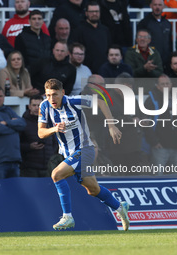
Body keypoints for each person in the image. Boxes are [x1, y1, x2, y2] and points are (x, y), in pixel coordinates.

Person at [38, 78, 130, 231]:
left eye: (55, 94)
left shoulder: (74, 101)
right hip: (69, 154)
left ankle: (67, 217)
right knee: (93, 190)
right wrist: (54, 129)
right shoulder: (44, 106)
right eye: (48, 95)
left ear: (63, 92)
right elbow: (41, 133)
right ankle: (120, 207)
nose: (51, 99)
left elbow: (100, 101)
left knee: (56, 175)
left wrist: (111, 126)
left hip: (85, 149)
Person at [143, 74, 177, 170]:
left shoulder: (176, 98)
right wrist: (154, 142)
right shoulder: (151, 100)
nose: (166, 86)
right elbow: (146, 123)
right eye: (163, 84)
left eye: (167, 83)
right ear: (157, 86)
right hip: (160, 147)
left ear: (171, 85)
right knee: (158, 176)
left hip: (176, 146)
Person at [20, 95, 57, 177]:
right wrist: (29, 147)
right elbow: (16, 145)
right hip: (30, 168)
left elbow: (55, 142)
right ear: (29, 106)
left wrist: (51, 155)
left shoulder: (50, 122)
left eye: (39, 105)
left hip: (48, 167)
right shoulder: (22, 123)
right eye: (34, 105)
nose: (37, 108)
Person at [73, 1, 111, 73]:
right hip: (86, 70)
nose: (94, 14)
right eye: (91, 11)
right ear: (86, 13)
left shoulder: (105, 30)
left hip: (104, 70)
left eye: (96, 11)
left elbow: (109, 48)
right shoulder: (79, 30)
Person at [124, 29, 163, 93]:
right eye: (140, 37)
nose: (142, 39)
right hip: (135, 89)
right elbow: (129, 73)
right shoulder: (130, 53)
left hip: (153, 89)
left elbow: (160, 72)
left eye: (145, 37)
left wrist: (149, 70)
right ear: (136, 39)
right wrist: (144, 68)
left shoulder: (155, 53)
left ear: (149, 40)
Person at [137, 0, 172, 70]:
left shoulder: (167, 23)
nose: (157, 7)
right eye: (155, 5)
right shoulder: (144, 23)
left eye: (159, 5)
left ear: (163, 6)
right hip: (150, 61)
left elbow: (170, 43)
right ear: (151, 6)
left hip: (166, 62)